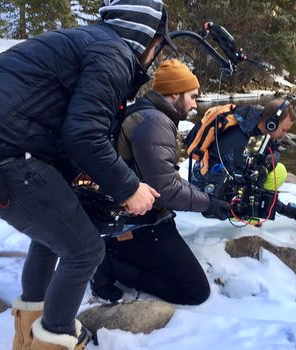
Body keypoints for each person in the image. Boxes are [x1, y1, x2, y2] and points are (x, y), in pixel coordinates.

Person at [0, 0, 175, 350]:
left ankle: (28, 336)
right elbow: (84, 134)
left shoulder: (85, 41)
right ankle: (55, 338)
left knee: (51, 238)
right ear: (144, 37)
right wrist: (129, 188)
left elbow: (50, 119)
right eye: (158, 46)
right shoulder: (113, 52)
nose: (155, 57)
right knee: (85, 251)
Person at [90, 59, 230, 305]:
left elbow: (163, 177)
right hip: (141, 223)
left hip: (141, 215)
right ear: (174, 92)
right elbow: (164, 190)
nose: (195, 104)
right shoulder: (154, 123)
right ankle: (110, 264)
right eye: (193, 96)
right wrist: (208, 204)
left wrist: (202, 197)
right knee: (196, 292)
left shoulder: (150, 116)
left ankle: (116, 251)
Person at [186, 98, 296, 230]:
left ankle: (252, 209)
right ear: (272, 124)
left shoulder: (259, 127)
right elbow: (242, 180)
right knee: (251, 181)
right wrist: (282, 208)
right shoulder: (239, 136)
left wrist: (267, 164)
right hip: (211, 182)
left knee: (279, 171)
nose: (285, 134)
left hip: (234, 174)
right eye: (283, 130)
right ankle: (240, 213)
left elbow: (274, 150)